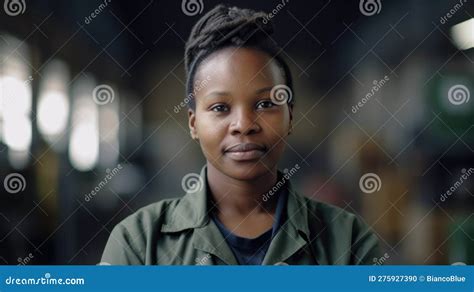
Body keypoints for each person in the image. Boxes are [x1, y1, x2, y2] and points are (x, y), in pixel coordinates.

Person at [101, 4, 381, 265]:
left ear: (290, 116)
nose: (244, 124)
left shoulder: (349, 242)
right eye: (220, 107)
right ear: (194, 123)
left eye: (265, 104)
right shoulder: (137, 244)